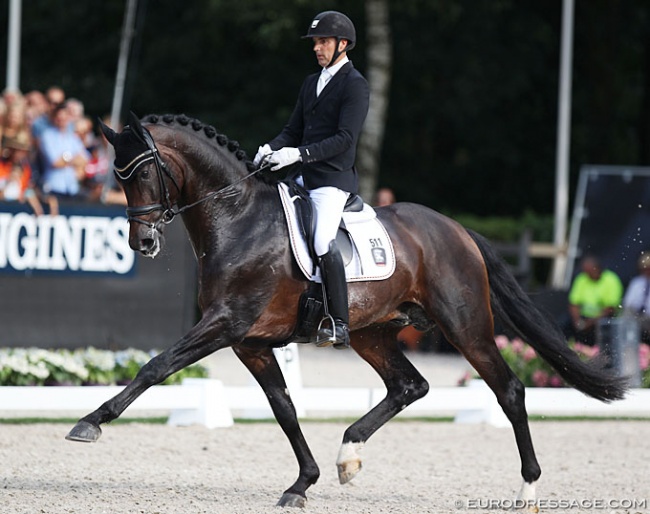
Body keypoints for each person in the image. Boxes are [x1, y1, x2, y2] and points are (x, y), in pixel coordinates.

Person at [253, 10, 369, 349]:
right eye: (316, 42)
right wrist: (270, 148)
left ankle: (339, 322)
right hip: (302, 177)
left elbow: (345, 138)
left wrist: (299, 154)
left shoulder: (355, 85)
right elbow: (293, 130)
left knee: (321, 242)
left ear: (343, 44)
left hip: (333, 181)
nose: (317, 48)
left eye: (324, 42)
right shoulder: (311, 82)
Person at [565, 255, 623, 345]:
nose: (587, 274)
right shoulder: (582, 278)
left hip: (603, 318)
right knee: (564, 325)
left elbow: (610, 308)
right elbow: (574, 303)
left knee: (601, 326)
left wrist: (589, 323)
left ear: (597, 269)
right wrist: (577, 321)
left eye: (589, 271)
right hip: (584, 317)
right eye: (585, 272)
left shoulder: (611, 280)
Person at [38, 103, 89, 198]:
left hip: (72, 188)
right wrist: (73, 158)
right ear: (54, 118)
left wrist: (65, 158)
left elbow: (84, 160)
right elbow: (55, 162)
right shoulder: (47, 136)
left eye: (64, 117)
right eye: (59, 117)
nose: (62, 120)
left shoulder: (73, 138)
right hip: (53, 187)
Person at [622, 252, 650, 341]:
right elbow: (628, 303)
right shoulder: (637, 283)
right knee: (627, 313)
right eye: (644, 268)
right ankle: (628, 345)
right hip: (637, 318)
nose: (646, 271)